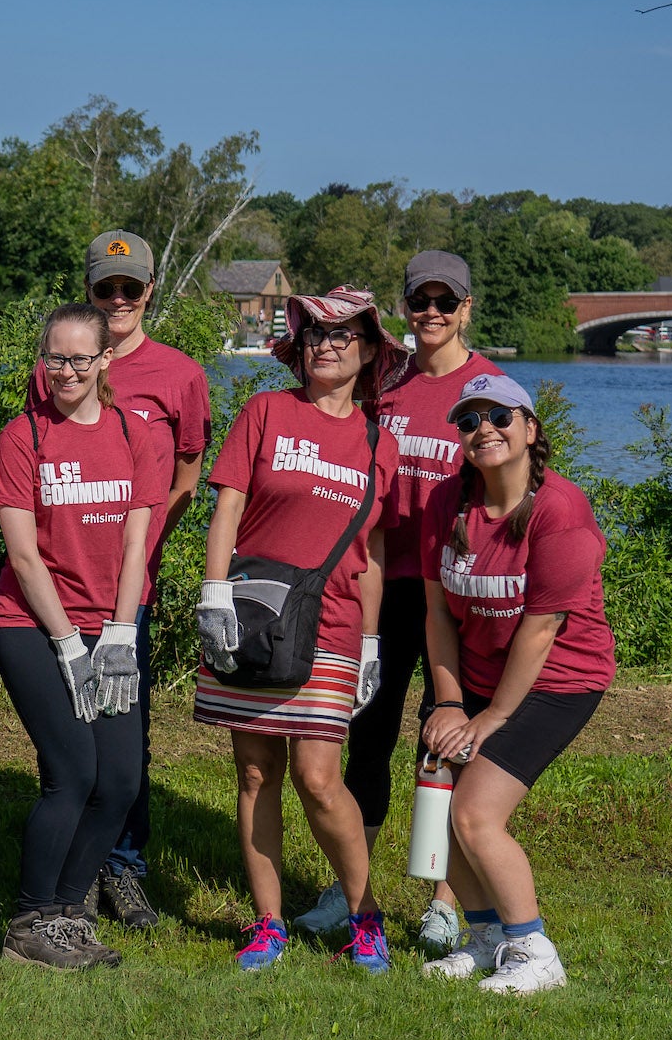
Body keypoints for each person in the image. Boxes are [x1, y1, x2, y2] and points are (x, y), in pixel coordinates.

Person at [297, 249, 503, 955]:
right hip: (383, 584)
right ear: (406, 308)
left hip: (456, 590)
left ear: (468, 308)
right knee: (368, 738)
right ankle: (347, 893)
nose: (433, 314)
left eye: (447, 302)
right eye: (421, 301)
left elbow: (513, 497)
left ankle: (445, 898)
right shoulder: (386, 381)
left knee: (445, 742)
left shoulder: (492, 391)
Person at [193, 287, 405, 973]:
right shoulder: (265, 412)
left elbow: (370, 552)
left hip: (335, 624)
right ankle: (268, 924)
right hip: (252, 616)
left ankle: (364, 914)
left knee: (318, 776)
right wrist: (213, 592)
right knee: (256, 772)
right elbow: (227, 508)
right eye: (314, 333)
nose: (326, 344)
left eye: (343, 335)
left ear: (369, 350)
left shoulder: (381, 443)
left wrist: (372, 642)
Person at [418, 372, 616, 995]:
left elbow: (541, 630)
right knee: (438, 801)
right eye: (469, 421)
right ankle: (483, 940)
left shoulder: (561, 511)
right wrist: (449, 702)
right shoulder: (445, 505)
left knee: (476, 813)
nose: (485, 430)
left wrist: (490, 719)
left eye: (500, 417)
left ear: (530, 429)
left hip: (559, 679)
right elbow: (437, 613)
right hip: (475, 678)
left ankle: (533, 949)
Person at [0, 304, 167, 969]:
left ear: (104, 363)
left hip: (108, 624)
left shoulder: (133, 434)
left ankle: (66, 915)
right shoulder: (23, 437)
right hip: (32, 622)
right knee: (73, 773)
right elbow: (25, 557)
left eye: (79, 359)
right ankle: (28, 920)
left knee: (119, 781)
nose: (66, 370)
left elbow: (135, 544)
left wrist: (119, 635)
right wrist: (69, 646)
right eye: (55, 357)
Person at [77, 230, 210, 929]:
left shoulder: (179, 373)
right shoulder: (64, 360)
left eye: (131, 288)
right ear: (90, 290)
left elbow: (188, 468)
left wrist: (152, 537)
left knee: (127, 725)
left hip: (135, 581)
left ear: (151, 290)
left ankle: (124, 868)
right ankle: (75, 866)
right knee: (72, 726)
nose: (119, 300)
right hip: (68, 576)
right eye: (107, 288)